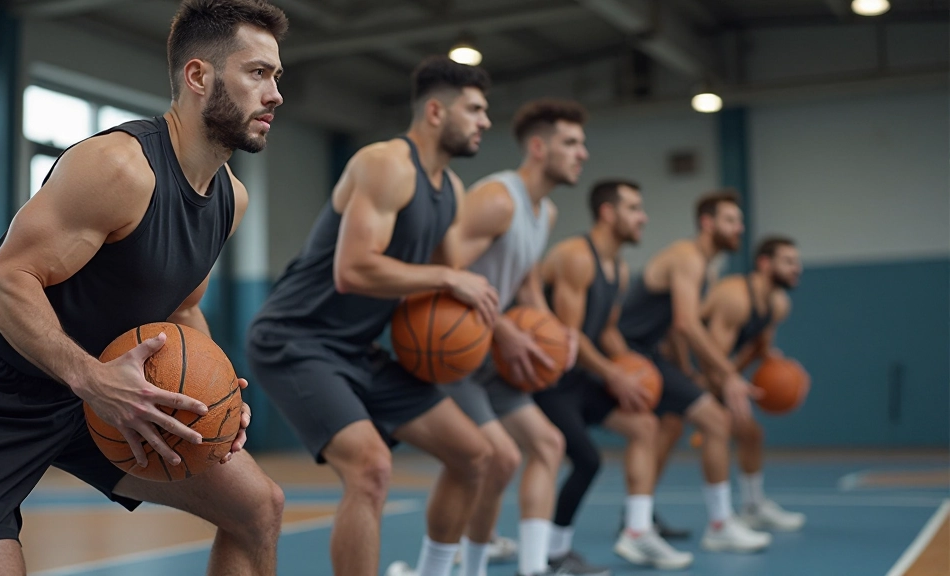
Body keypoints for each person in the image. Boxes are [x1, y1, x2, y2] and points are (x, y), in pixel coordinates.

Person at [0, 2, 288, 574]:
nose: (275, 94)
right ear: (199, 76)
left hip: (93, 394)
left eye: (276, 76)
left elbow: (186, 308)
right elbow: (4, 285)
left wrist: (217, 398)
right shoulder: (119, 166)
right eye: (257, 73)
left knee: (257, 508)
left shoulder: (229, 200)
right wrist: (93, 379)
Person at [246, 57, 498, 576]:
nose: (484, 121)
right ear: (434, 111)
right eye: (474, 109)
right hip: (295, 338)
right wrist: (448, 280)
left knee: (474, 455)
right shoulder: (386, 164)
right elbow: (354, 270)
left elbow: (452, 280)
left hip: (359, 350)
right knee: (371, 467)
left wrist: (508, 330)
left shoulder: (450, 189)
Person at [392, 98, 605, 576]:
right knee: (498, 457)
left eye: (581, 144)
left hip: (494, 352)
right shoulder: (497, 199)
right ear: (537, 147)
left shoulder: (543, 212)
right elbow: (443, 263)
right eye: (570, 143)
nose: (582, 153)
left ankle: (531, 568)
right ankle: (449, 571)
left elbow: (526, 284)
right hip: (453, 347)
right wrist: (503, 326)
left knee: (549, 444)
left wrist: (556, 331)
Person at [535, 180, 694, 570]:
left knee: (645, 426)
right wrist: (614, 373)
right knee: (586, 460)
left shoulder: (618, 268)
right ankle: (551, 552)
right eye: (634, 208)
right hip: (545, 379)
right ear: (608, 213)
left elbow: (605, 329)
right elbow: (570, 337)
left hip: (578, 377)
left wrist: (634, 368)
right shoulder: (575, 256)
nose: (643, 217)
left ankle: (637, 533)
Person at [616, 191, 772, 552]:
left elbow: (673, 326)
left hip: (651, 353)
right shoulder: (688, 257)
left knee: (669, 427)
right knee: (717, 422)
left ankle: (638, 519)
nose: (739, 228)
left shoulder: (706, 266)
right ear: (707, 223)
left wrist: (686, 369)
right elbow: (687, 323)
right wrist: (727, 375)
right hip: (629, 353)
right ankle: (719, 525)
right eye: (731, 220)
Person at [698, 235, 805, 531]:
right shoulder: (735, 296)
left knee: (750, 433)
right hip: (686, 366)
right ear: (764, 263)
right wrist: (721, 388)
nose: (797, 268)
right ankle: (717, 524)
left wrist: (777, 366)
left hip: (720, 371)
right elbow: (711, 357)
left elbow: (756, 350)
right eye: (788, 261)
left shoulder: (778, 304)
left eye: (797, 262)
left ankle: (752, 506)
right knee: (675, 435)